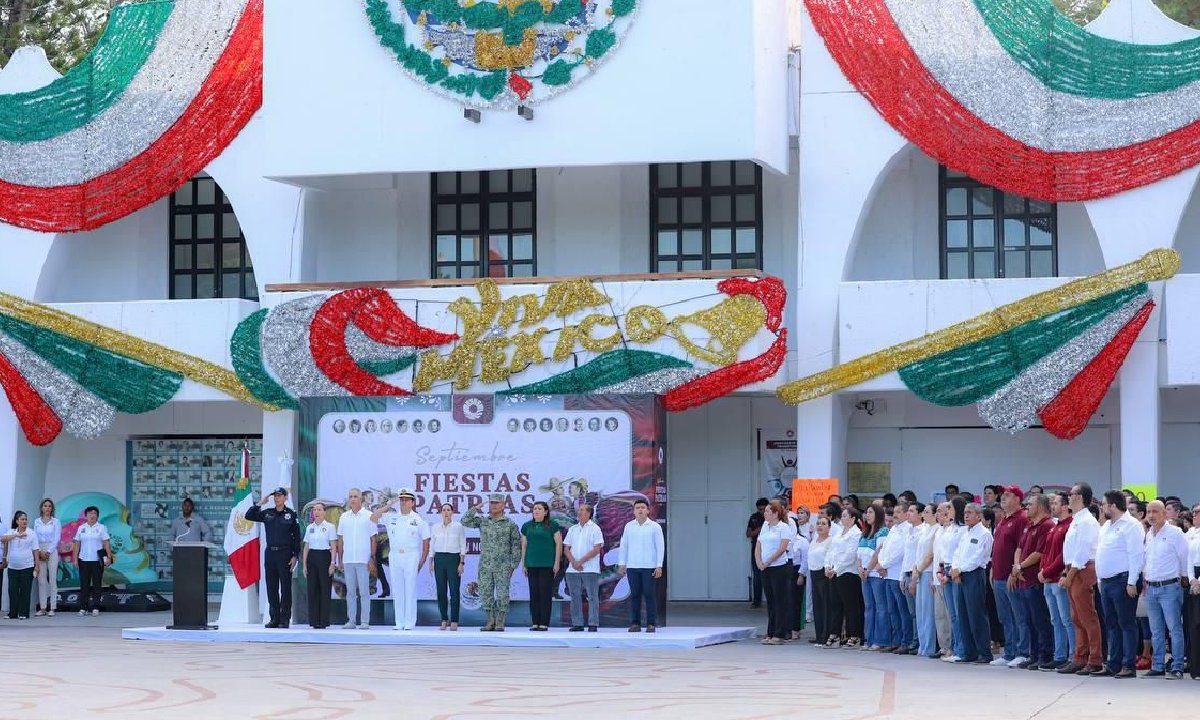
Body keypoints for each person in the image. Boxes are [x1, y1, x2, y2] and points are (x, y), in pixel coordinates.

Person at [1094, 489, 1145, 678]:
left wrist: (1132, 582)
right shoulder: (1106, 525)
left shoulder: (1131, 525)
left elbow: (1136, 555)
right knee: (1111, 625)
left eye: (1104, 504)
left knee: (1126, 624)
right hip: (1106, 582)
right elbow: (1101, 553)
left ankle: (1128, 664)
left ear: (1113, 506)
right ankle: (1113, 663)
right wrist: (1100, 580)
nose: (1102, 507)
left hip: (1123, 580)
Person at [1058, 482, 1104, 674]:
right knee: (1076, 617)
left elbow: (1083, 551)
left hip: (1082, 570)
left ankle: (1094, 659)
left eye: (1072, 494)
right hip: (1072, 569)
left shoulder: (1087, 521)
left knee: (1087, 616)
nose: (1069, 497)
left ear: (1080, 497)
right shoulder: (1076, 519)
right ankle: (1080, 657)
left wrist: (1070, 574)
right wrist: (1065, 572)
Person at [1142, 500, 1189, 679]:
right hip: (1151, 588)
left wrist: (1184, 578)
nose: (1151, 515)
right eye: (1149, 511)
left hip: (1169, 587)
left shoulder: (1175, 533)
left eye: (1155, 511)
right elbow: (1147, 560)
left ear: (1164, 513)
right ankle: (1158, 665)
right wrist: (1145, 581)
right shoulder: (1149, 534)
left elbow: (1184, 556)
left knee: (1174, 628)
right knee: (1156, 630)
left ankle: (1177, 666)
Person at [372, 488, 430, 631]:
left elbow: (426, 542)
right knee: (397, 589)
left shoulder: (418, 519)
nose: (403, 502)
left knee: (410, 589)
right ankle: (399, 621)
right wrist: (389, 504)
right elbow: (373, 518)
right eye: (402, 500)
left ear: (413, 502)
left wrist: (422, 562)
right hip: (395, 555)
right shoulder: (391, 516)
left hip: (411, 555)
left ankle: (410, 622)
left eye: (406, 500)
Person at [463, 493, 522, 632]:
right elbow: (465, 521)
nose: (493, 505)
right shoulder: (483, 521)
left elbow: (516, 546)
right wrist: (475, 508)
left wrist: (513, 565)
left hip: (503, 566)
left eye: (496, 503)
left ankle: (500, 621)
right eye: (491, 503)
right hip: (485, 565)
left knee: (502, 594)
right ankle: (490, 620)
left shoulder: (510, 524)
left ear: (503, 505)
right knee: (485, 593)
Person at [245, 487, 302, 629]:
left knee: (285, 588)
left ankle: (284, 619)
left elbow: (297, 538)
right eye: (275, 496)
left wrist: (295, 556)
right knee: (271, 587)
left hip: (285, 554)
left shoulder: (291, 514)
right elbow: (249, 516)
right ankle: (274, 618)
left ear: (285, 497)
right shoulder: (267, 513)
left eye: (280, 495)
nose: (277, 498)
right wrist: (260, 503)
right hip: (270, 553)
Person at [1012, 493, 1054, 670]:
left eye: (1030, 504)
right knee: (1029, 620)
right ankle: (1034, 654)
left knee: (1040, 620)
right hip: (1023, 579)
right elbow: (1019, 548)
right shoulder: (1029, 525)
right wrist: (1016, 566)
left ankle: (1045, 655)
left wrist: (1020, 566)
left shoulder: (1047, 525)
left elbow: (1039, 553)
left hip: (1034, 581)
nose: (1026, 506)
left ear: (1041, 507)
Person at [949, 503, 994, 664]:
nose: (966, 515)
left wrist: (959, 569)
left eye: (969, 512)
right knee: (963, 615)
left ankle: (984, 652)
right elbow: (957, 553)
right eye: (965, 512)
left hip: (974, 574)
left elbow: (977, 558)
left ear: (979, 515)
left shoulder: (984, 534)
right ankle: (969, 652)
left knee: (976, 615)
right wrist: (955, 569)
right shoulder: (965, 533)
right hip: (960, 575)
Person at [990, 486, 1029, 668]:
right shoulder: (1003, 520)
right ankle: (1010, 652)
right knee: (1005, 617)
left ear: (1018, 499)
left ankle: (1022, 652)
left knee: (1018, 616)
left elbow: (1022, 547)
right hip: (998, 575)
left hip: (1011, 576)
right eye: (1003, 495)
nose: (1003, 498)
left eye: (1008, 495)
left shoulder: (1021, 519)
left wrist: (1015, 571)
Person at [1037, 491, 1074, 671]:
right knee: (1055, 620)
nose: (1052, 506)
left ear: (1066, 506)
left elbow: (1063, 555)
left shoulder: (1069, 526)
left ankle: (1073, 655)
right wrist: (1042, 570)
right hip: (1048, 579)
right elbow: (1046, 551)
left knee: (1067, 619)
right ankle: (1059, 655)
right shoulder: (1055, 526)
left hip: (1059, 578)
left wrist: (1048, 571)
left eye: (1056, 503)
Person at [618, 499, 665, 633]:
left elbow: (660, 547)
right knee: (635, 595)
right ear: (633, 511)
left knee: (649, 595)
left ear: (648, 510)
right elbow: (624, 545)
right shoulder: (629, 526)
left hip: (649, 566)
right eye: (637, 508)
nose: (640, 510)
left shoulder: (654, 526)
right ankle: (635, 623)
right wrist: (622, 563)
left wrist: (659, 565)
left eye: (643, 508)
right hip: (633, 566)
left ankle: (651, 623)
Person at [336, 488, 377, 630]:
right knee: (351, 592)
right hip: (348, 560)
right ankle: (351, 620)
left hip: (363, 560)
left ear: (361, 499)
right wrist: (340, 559)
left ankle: (365, 621)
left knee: (364, 591)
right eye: (350, 496)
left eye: (355, 496)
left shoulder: (369, 515)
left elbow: (373, 539)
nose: (352, 499)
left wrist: (371, 558)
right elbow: (340, 539)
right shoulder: (344, 517)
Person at [756, 499, 795, 645]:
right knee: (771, 600)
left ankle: (780, 633)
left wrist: (769, 561)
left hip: (778, 567)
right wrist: (759, 561)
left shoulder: (783, 527)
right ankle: (770, 631)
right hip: (765, 567)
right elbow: (758, 545)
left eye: (767, 511)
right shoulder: (765, 526)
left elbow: (782, 547)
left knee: (780, 600)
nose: (764, 513)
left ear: (775, 513)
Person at [824, 507, 864, 647]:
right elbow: (831, 550)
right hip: (835, 572)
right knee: (835, 605)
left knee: (850, 606)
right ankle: (835, 634)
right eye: (842, 515)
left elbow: (850, 555)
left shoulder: (855, 533)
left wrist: (836, 569)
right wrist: (827, 566)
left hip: (848, 573)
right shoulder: (839, 532)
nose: (842, 518)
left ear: (853, 518)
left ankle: (854, 635)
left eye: (846, 516)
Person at [521, 501, 562, 631]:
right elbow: (524, 546)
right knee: (534, 594)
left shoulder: (553, 525)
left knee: (545, 593)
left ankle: (544, 623)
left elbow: (559, 544)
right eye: (534, 509)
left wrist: (556, 562)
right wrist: (524, 564)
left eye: (539, 509)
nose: (536, 511)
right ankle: (535, 622)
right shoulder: (527, 526)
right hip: (532, 564)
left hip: (547, 564)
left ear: (545, 512)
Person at [564, 503, 604, 632]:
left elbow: (597, 549)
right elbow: (566, 548)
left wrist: (580, 561)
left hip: (590, 568)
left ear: (589, 513)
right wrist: (574, 562)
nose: (579, 512)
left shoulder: (595, 528)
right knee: (575, 596)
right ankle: (578, 623)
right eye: (579, 510)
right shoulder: (573, 529)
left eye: (582, 510)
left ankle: (593, 624)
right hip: (573, 569)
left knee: (592, 597)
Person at [429, 502, 467, 631]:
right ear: (441, 512)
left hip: (453, 559)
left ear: (452, 512)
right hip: (439, 559)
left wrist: (461, 563)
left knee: (454, 591)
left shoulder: (458, 527)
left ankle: (455, 620)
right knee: (441, 591)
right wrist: (431, 562)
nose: (446, 512)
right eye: (444, 510)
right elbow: (432, 545)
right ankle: (444, 619)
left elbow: (463, 545)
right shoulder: (435, 527)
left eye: (448, 510)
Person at [70, 505, 113, 616]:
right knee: (84, 584)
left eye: (94, 513)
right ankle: (83, 607)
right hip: (83, 559)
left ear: (97, 516)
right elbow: (77, 543)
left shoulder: (101, 527)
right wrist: (75, 558)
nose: (92, 515)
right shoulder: (81, 528)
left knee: (97, 584)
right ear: (86, 516)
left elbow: (106, 542)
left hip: (97, 560)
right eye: (89, 513)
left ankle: (95, 607)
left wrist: (109, 557)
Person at [858, 505, 890, 651]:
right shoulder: (864, 533)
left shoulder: (882, 531)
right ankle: (868, 639)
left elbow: (879, 552)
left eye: (870, 512)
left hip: (876, 575)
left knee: (880, 607)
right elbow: (858, 554)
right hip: (865, 575)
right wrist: (860, 568)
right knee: (869, 607)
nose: (867, 515)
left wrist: (868, 568)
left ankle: (880, 639)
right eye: (866, 512)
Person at [302, 502, 336, 629]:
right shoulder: (309, 527)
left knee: (324, 589)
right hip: (312, 558)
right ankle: (314, 620)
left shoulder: (330, 527)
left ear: (324, 512)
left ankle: (324, 620)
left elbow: (333, 546)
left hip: (324, 557)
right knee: (313, 590)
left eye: (319, 509)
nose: (316, 512)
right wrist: (304, 565)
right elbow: (306, 547)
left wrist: (332, 563)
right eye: (314, 510)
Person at [911, 502, 938, 658]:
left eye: (927, 512)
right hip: (919, 571)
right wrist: (915, 568)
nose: (923, 514)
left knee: (928, 612)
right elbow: (919, 553)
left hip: (927, 571)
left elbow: (930, 555)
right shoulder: (925, 530)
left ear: (934, 515)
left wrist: (919, 569)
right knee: (920, 611)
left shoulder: (936, 530)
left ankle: (928, 646)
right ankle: (922, 645)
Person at [2, 511, 39, 619]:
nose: (24, 521)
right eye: (22, 519)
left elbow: (36, 549)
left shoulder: (31, 533)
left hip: (27, 566)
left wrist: (37, 565)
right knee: (12, 590)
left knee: (25, 590)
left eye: (25, 519)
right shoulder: (11, 532)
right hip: (13, 567)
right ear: (17, 521)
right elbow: (2, 539)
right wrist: (16, 535)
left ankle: (23, 613)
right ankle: (12, 613)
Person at [808, 515, 834, 646]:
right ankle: (819, 636)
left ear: (829, 527)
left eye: (823, 524)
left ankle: (826, 636)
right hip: (813, 573)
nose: (820, 526)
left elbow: (829, 557)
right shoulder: (814, 539)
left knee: (826, 606)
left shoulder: (830, 541)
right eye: (818, 523)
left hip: (824, 574)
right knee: (817, 606)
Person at [32, 498, 61, 617]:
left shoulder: (56, 521)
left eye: (49, 506)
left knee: (52, 579)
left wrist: (48, 552)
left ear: (52, 508)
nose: (47, 508)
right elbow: (34, 537)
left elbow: (57, 538)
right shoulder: (37, 521)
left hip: (52, 550)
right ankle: (43, 607)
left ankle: (52, 608)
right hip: (39, 550)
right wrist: (39, 552)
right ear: (41, 508)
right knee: (41, 580)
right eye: (45, 506)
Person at [790, 513, 810, 640]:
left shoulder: (802, 541)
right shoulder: (783, 540)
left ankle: (795, 629)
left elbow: (805, 559)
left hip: (797, 571)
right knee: (785, 601)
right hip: (785, 570)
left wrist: (801, 574)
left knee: (795, 602)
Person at [745, 498, 768, 608]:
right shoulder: (754, 518)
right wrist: (759, 529)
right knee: (757, 575)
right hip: (756, 548)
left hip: (769, 549)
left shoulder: (772, 517)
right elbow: (748, 533)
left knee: (770, 575)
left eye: (764, 509)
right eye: (759, 509)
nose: (762, 512)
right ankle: (756, 601)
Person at [1187, 504, 1200, 679]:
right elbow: (1189, 559)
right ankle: (1196, 667)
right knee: (1195, 625)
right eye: (1194, 512)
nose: (1195, 515)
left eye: (1198, 512)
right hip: (1194, 579)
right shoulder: (1192, 534)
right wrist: (1192, 580)